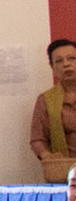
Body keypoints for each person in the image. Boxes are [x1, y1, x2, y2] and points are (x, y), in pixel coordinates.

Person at [29, 39, 76, 172]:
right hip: (64, 172)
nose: (66, 64)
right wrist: (47, 156)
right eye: (59, 61)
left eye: (72, 58)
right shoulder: (46, 100)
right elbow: (37, 139)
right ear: (52, 67)